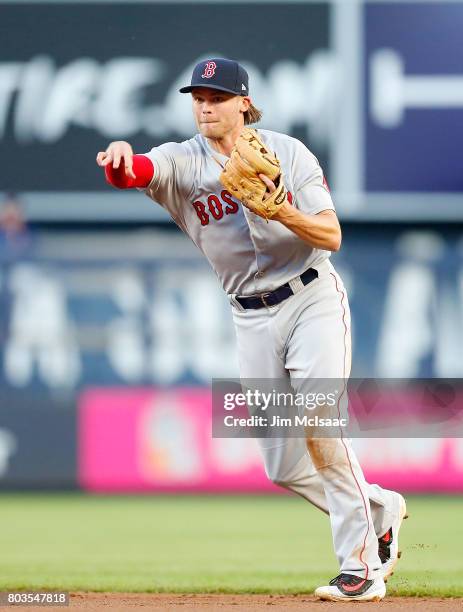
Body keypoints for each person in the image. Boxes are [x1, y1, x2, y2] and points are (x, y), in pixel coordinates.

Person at [96, 58, 407, 602]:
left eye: (217, 96)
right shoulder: (181, 162)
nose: (205, 105)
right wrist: (119, 161)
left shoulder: (288, 153)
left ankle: (359, 568)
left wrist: (282, 208)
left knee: (318, 424)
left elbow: (329, 235)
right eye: (198, 96)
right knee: (281, 464)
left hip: (311, 298)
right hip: (249, 314)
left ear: (244, 102)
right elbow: (137, 172)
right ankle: (377, 507)